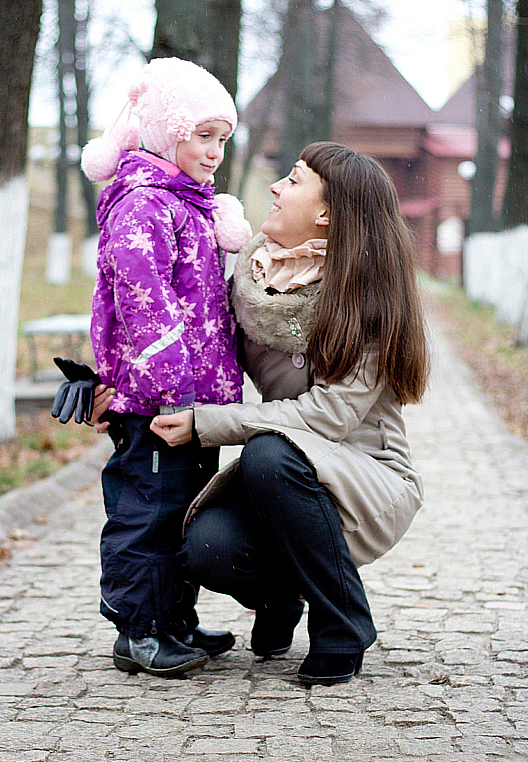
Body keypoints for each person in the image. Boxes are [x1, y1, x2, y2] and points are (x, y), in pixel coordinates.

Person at [148, 141, 430, 687]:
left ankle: (343, 624)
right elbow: (187, 338)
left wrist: (208, 425)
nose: (276, 188)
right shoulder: (255, 278)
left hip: (365, 478)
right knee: (209, 549)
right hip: (286, 476)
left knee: (269, 453)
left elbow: (327, 417)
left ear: (326, 214)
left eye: (294, 180)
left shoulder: (368, 296)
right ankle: (283, 597)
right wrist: (114, 387)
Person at [71, 57, 252, 678]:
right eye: (203, 136)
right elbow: (145, 305)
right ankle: (139, 630)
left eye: (223, 139)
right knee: (147, 513)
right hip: (156, 403)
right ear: (164, 132)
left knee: (183, 510)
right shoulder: (144, 207)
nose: (214, 153)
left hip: (191, 405)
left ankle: (176, 618)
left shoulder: (189, 204)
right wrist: (173, 392)